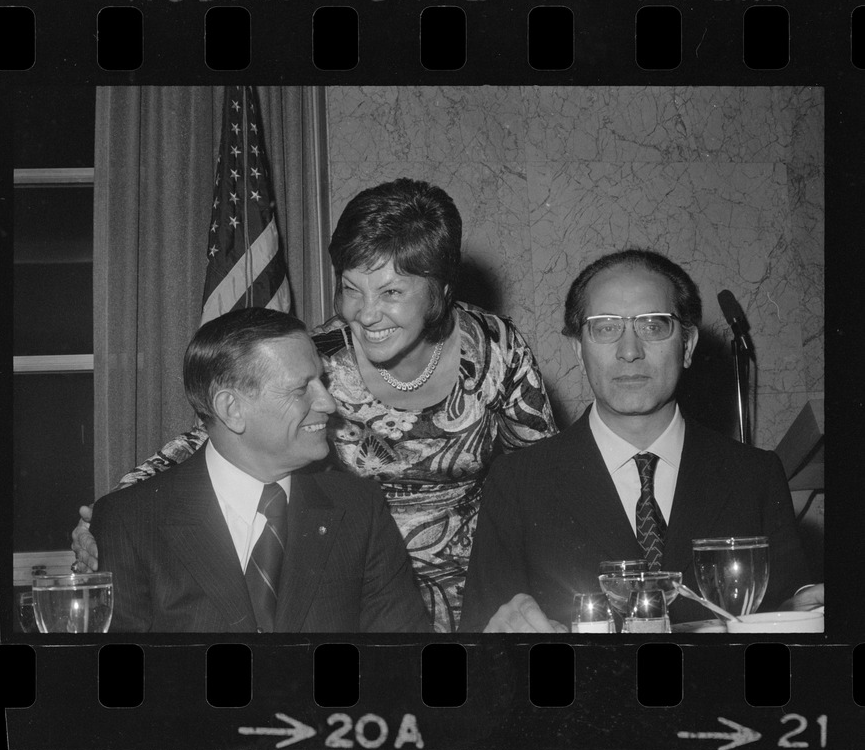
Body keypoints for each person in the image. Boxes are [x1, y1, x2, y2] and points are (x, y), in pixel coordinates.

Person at [73, 178, 557, 633]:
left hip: (481, 584)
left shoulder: (495, 348)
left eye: (391, 292)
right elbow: (211, 439)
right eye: (351, 288)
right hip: (349, 579)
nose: (365, 315)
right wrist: (107, 523)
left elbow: (540, 478)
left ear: (441, 290)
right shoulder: (321, 357)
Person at [460, 248, 822, 632]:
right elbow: (483, 641)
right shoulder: (518, 482)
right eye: (605, 327)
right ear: (578, 350)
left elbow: (787, 614)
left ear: (688, 345)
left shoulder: (755, 475)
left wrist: (803, 608)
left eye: (652, 326)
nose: (629, 351)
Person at [90, 308, 429, 633]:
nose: (327, 403)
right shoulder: (131, 522)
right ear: (232, 409)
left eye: (322, 382)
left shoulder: (359, 509)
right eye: (301, 389)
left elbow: (402, 660)